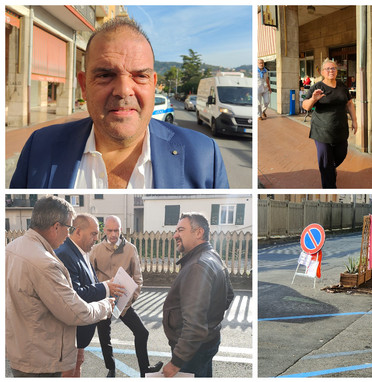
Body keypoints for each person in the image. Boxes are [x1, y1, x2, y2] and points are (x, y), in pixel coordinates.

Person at [10, 18, 229, 189]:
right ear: (84, 85)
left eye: (139, 76)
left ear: (153, 85)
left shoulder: (203, 156)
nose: (124, 90)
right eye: (105, 75)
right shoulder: (40, 147)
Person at [5, 196, 114, 377]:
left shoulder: (11, 248)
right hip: (42, 360)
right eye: (68, 228)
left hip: (21, 351)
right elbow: (76, 312)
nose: (69, 233)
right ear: (56, 227)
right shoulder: (43, 262)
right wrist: (105, 306)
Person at [162, 213, 234, 377]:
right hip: (207, 342)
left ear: (199, 232)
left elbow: (194, 325)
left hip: (193, 352)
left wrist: (176, 363)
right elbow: (228, 296)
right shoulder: (212, 256)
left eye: (181, 230)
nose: (175, 235)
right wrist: (210, 322)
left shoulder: (197, 266)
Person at [90, 215, 163, 377]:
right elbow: (91, 277)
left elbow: (138, 278)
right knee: (104, 336)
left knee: (142, 332)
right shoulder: (95, 250)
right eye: (110, 230)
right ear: (104, 230)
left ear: (121, 230)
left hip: (124, 302)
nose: (113, 234)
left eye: (116, 230)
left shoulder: (130, 249)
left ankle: (145, 369)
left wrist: (129, 301)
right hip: (103, 301)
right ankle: (111, 368)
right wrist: (98, 297)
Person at [55, 214, 125, 377]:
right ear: (78, 231)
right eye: (93, 234)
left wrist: (108, 286)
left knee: (77, 368)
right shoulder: (65, 253)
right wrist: (106, 287)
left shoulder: (81, 251)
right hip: (69, 338)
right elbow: (76, 294)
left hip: (79, 336)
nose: (97, 237)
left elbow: (90, 283)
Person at [302, 58, 358, 189]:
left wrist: (355, 121)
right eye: (328, 69)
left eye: (333, 68)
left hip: (340, 129)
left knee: (341, 154)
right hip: (321, 130)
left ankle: (331, 169)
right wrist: (313, 99)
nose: (331, 71)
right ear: (322, 72)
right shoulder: (317, 87)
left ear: (337, 71)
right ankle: (329, 186)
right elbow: (305, 106)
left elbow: (349, 103)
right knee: (325, 163)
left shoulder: (342, 86)